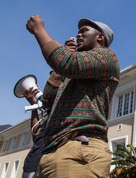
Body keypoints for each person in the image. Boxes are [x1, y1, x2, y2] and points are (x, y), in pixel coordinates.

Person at [26, 14, 120, 177]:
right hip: (51, 153)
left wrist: (39, 30)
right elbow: (48, 99)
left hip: (78, 150)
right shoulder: (72, 73)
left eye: (84, 31)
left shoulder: (107, 56)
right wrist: (59, 70)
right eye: (78, 32)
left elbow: (68, 63)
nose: (78, 34)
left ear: (100, 37)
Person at [21, 71, 62, 178]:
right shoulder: (50, 113)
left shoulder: (65, 109)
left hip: (50, 168)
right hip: (32, 165)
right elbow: (37, 136)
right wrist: (34, 105)